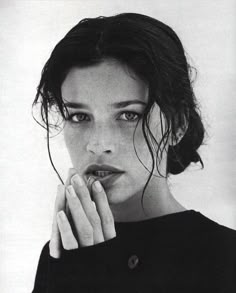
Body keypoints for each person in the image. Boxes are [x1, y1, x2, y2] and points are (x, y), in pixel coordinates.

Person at [31, 12, 236, 293]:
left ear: (176, 124)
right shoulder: (63, 252)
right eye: (79, 117)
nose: (98, 144)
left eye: (129, 115)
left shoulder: (225, 256)